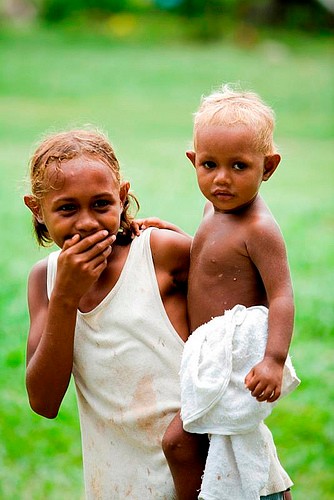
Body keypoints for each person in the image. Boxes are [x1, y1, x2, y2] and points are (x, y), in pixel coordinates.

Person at [23, 128, 202, 499]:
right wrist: (65, 297)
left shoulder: (159, 255)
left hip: (206, 481)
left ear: (122, 198)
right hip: (123, 486)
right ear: (38, 210)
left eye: (101, 204)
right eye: (67, 208)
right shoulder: (45, 280)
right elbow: (43, 402)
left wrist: (196, 245)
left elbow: (239, 302)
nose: (87, 222)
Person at [160, 85, 300, 500]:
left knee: (191, 442)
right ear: (193, 161)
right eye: (209, 164)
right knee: (219, 444)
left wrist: (273, 361)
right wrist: (171, 234)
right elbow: (211, 257)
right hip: (208, 356)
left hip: (236, 360)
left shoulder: (259, 229)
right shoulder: (214, 209)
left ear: (268, 166)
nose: (221, 179)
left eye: (239, 166)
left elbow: (282, 295)